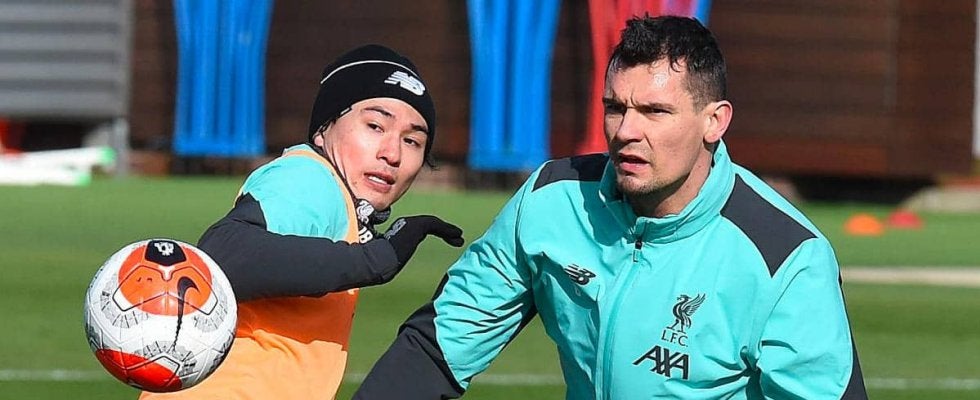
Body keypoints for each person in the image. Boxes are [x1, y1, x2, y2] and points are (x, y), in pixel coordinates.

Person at [352, 16, 868, 399]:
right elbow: (439, 347)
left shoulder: (786, 256)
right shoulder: (551, 201)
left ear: (715, 121)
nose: (626, 131)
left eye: (655, 111)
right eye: (615, 107)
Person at [140, 44, 464, 399]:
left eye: (412, 140)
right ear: (324, 128)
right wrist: (378, 257)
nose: (393, 153)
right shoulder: (310, 178)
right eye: (375, 126)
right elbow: (221, 256)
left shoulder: (338, 200)